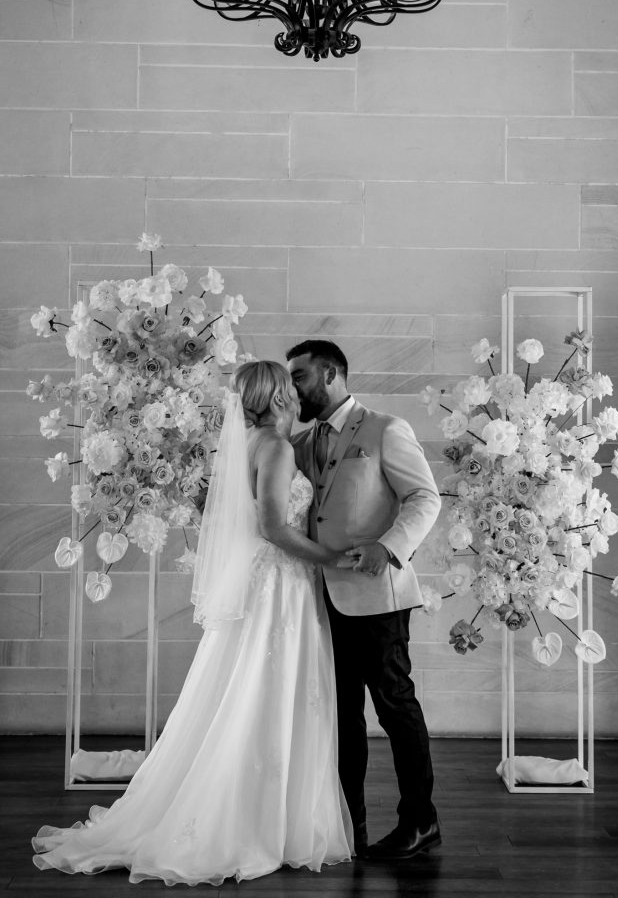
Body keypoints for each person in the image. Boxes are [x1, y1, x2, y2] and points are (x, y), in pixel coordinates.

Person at [32, 361, 353, 885]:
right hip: (280, 586)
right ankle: (256, 823)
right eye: (290, 390)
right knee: (266, 690)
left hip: (266, 583)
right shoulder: (273, 448)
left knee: (246, 689)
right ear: (276, 399)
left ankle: (259, 811)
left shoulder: (246, 444)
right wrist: (329, 558)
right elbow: (273, 526)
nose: (297, 397)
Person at [286, 339, 442, 860]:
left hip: (379, 596)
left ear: (330, 373)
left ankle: (421, 822)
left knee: (395, 707)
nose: (294, 388)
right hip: (321, 597)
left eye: (301, 377)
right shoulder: (304, 441)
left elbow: (425, 497)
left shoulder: (384, 429)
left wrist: (388, 546)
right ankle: (348, 824)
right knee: (341, 713)